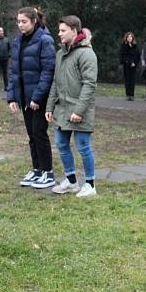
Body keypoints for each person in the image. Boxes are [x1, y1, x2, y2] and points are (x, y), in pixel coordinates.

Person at [46, 18, 98, 197]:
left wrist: (79, 110)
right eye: (59, 30)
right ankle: (71, 181)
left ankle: (90, 185)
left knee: (83, 146)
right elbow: (56, 81)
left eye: (62, 30)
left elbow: (89, 85)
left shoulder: (87, 54)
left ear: (74, 31)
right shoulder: (61, 54)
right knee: (61, 143)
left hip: (80, 110)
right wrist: (50, 106)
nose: (59, 34)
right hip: (62, 109)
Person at [7, 7, 57, 189]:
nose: (20, 25)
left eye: (24, 21)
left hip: (39, 98)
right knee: (31, 135)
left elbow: (48, 71)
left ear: (34, 21)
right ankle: (37, 170)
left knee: (39, 133)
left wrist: (37, 97)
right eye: (18, 21)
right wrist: (12, 97)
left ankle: (48, 172)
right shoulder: (18, 41)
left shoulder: (45, 40)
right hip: (25, 97)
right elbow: (14, 71)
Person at [119, 31, 140, 100]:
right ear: (126, 38)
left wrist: (135, 63)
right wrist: (129, 62)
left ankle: (132, 95)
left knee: (132, 80)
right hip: (127, 65)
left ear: (133, 38)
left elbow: (138, 56)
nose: (129, 38)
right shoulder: (123, 46)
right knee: (127, 80)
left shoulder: (135, 46)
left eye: (131, 37)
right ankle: (128, 95)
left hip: (134, 66)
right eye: (128, 37)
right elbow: (123, 56)